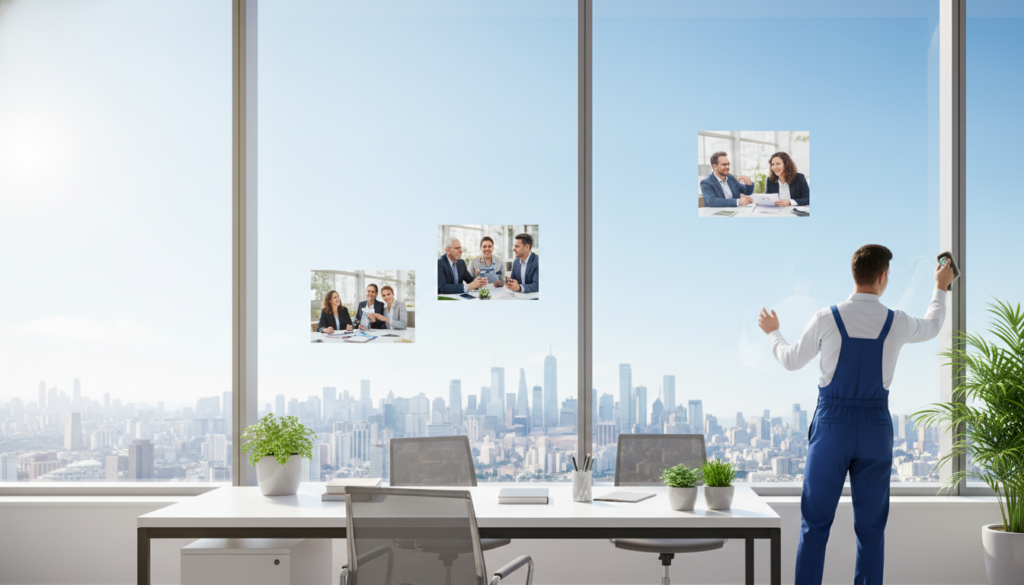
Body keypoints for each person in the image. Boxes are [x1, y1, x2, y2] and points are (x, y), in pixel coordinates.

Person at [757, 245, 955, 585]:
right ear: (883, 277)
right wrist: (940, 285)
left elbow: (790, 360)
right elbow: (934, 324)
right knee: (871, 529)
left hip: (832, 427)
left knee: (815, 525)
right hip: (875, 428)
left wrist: (773, 331)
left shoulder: (825, 317)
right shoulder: (898, 322)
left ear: (855, 274)